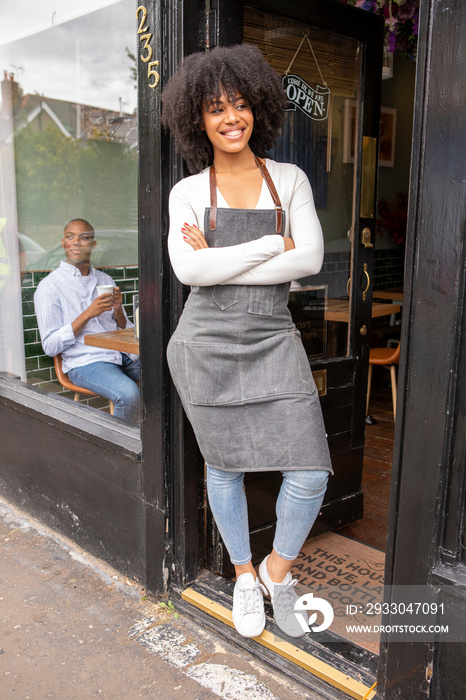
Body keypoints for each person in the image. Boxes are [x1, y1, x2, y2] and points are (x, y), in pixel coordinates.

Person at [162, 44, 332, 639]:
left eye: (239, 104)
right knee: (225, 465)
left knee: (312, 470)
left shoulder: (288, 178)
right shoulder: (188, 191)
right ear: (197, 120)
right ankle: (242, 575)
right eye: (215, 108)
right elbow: (189, 273)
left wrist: (225, 258)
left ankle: (275, 571)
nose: (230, 117)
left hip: (272, 337)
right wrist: (271, 248)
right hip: (204, 344)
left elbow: (308, 259)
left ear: (256, 108)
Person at [34, 218, 140, 424]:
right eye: (70, 237)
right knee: (129, 395)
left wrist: (118, 310)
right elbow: (50, 346)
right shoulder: (49, 287)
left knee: (169, 372)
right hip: (86, 361)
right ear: (63, 243)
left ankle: (156, 441)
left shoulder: (105, 280)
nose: (76, 242)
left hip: (121, 355)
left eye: (84, 237)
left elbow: (125, 328)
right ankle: (119, 452)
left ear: (93, 244)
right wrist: (87, 314)